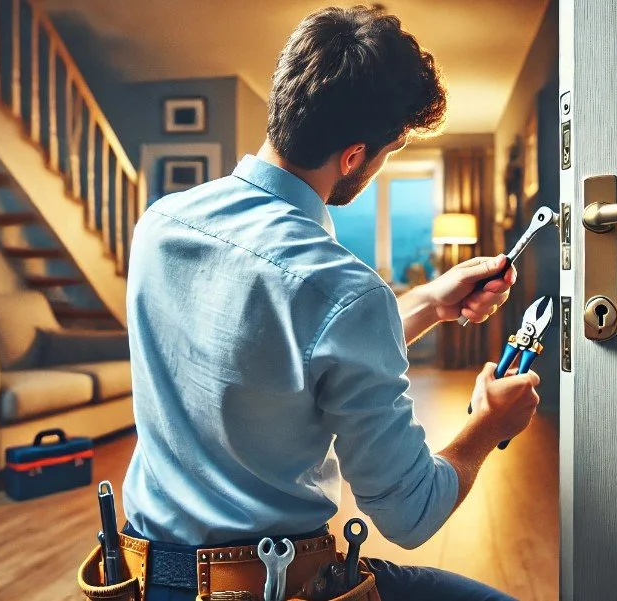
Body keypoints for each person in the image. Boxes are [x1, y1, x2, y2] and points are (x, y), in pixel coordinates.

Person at [120, 5, 542, 600]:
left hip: (142, 579)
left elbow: (277, 359)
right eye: (389, 150)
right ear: (352, 156)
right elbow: (410, 513)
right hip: (276, 585)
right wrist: (488, 424)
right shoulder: (344, 290)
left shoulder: (159, 225)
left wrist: (426, 302)